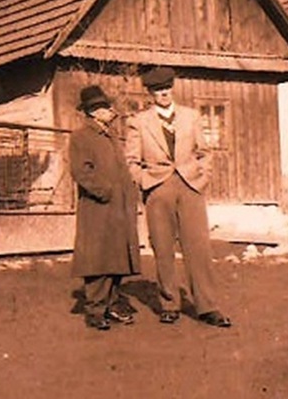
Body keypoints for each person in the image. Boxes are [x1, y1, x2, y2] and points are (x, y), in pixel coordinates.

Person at [125, 66, 231, 328]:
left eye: (167, 89)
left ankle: (208, 306)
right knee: (162, 248)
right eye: (158, 90)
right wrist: (147, 184)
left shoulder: (191, 117)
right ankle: (169, 303)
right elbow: (131, 160)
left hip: (190, 187)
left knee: (199, 248)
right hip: (158, 189)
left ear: (173, 88)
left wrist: (203, 179)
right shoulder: (138, 121)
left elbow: (205, 152)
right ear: (150, 93)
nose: (164, 94)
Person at [69, 84, 142, 330]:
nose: (112, 111)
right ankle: (95, 309)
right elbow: (81, 172)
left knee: (117, 257)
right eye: (107, 107)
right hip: (98, 208)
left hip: (119, 207)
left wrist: (127, 195)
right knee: (98, 260)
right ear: (94, 112)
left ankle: (112, 304)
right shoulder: (81, 137)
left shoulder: (110, 136)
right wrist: (104, 192)